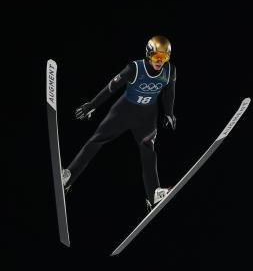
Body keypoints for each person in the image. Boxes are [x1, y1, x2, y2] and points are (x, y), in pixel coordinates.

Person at [62, 35, 177, 212]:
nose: (160, 61)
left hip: (147, 117)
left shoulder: (170, 70)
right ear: (149, 54)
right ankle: (68, 177)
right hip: (123, 112)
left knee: (148, 151)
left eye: (164, 57)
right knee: (96, 140)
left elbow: (169, 91)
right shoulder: (134, 68)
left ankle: (153, 194)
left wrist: (169, 113)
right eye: (156, 56)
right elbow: (111, 87)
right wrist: (92, 105)